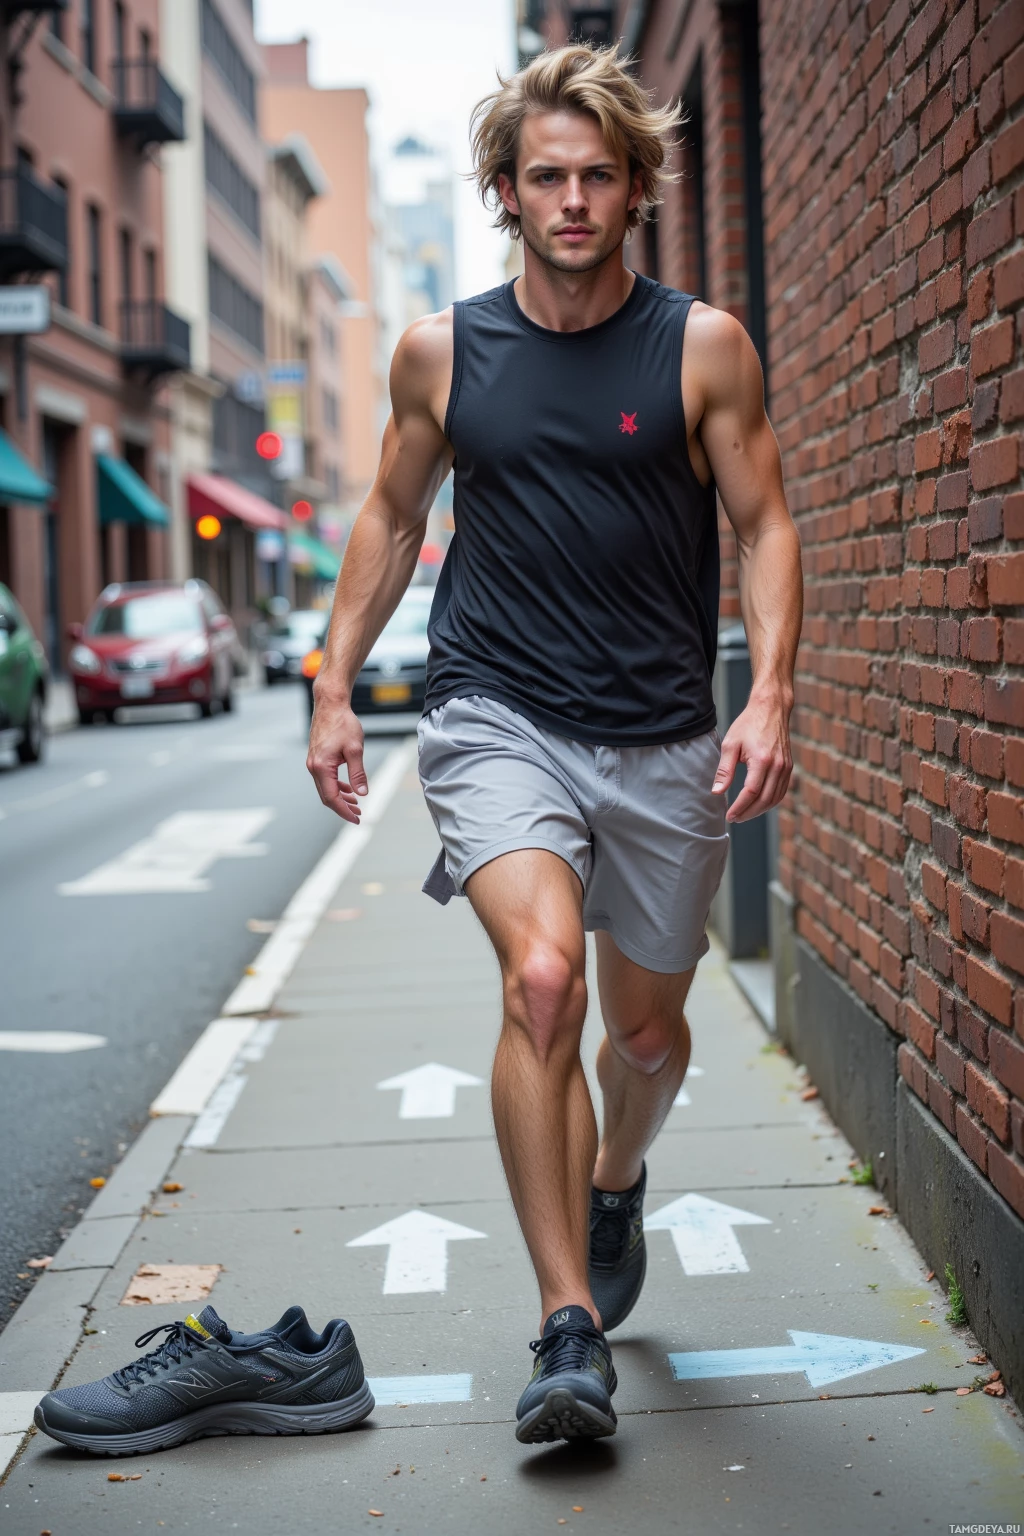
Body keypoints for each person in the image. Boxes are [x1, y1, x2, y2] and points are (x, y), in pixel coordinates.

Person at [307, 42, 803, 1446]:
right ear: (506, 193)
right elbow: (394, 519)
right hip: (495, 712)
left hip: (660, 738)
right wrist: (335, 682)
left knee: (645, 1033)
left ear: (635, 187)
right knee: (542, 981)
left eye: (597, 176)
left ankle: (617, 1174)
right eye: (546, 178)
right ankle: (567, 1327)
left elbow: (764, 524)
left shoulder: (700, 345)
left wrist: (766, 694)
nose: (572, 199)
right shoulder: (443, 352)